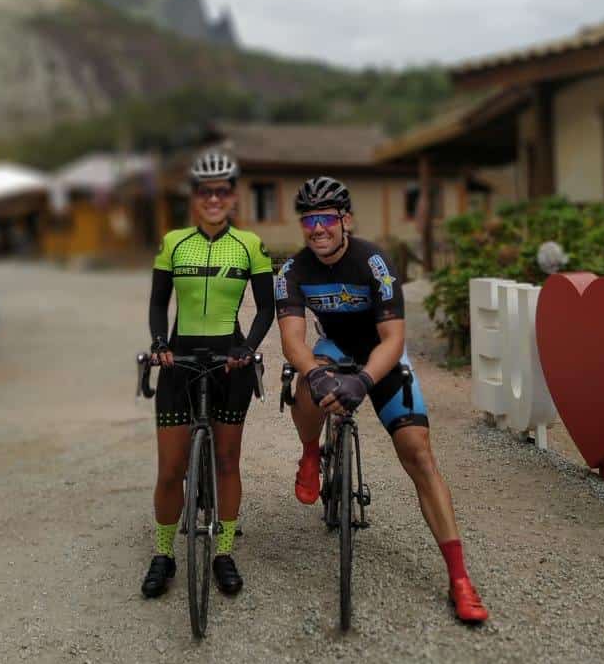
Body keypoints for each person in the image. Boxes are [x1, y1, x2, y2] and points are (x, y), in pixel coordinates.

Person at [275, 175, 489, 624]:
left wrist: (365, 382)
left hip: (381, 353)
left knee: (419, 454)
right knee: (302, 387)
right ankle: (311, 453)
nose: (317, 229)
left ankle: (459, 579)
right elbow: (293, 340)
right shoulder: (293, 271)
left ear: (345, 220)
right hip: (333, 349)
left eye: (326, 219)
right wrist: (316, 374)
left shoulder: (374, 262)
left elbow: (393, 338)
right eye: (309, 220)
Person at [142, 149, 274, 599]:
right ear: (194, 197)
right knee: (169, 469)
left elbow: (267, 308)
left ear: (233, 196)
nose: (213, 199)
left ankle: (223, 552)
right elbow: (159, 302)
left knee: (227, 463)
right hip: (179, 363)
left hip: (229, 362)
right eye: (205, 191)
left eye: (222, 191)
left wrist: (248, 348)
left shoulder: (250, 246)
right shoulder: (174, 242)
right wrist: (159, 343)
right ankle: (163, 553)